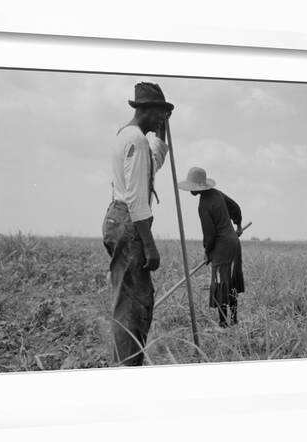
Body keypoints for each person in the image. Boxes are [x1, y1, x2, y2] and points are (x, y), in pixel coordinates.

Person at [102, 82, 173, 366]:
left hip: (116, 217)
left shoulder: (129, 136)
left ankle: (126, 364)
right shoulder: (136, 140)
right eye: (158, 113)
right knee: (134, 305)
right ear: (144, 109)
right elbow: (136, 198)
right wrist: (149, 245)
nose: (160, 119)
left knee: (129, 300)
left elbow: (152, 164)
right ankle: (127, 369)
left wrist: (163, 132)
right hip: (130, 222)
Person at [178, 167, 245, 328]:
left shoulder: (203, 205)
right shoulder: (217, 193)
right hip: (234, 242)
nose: (191, 190)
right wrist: (238, 224)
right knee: (231, 281)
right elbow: (235, 207)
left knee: (221, 282)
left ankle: (223, 324)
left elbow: (210, 235)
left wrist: (208, 252)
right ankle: (234, 320)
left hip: (223, 246)